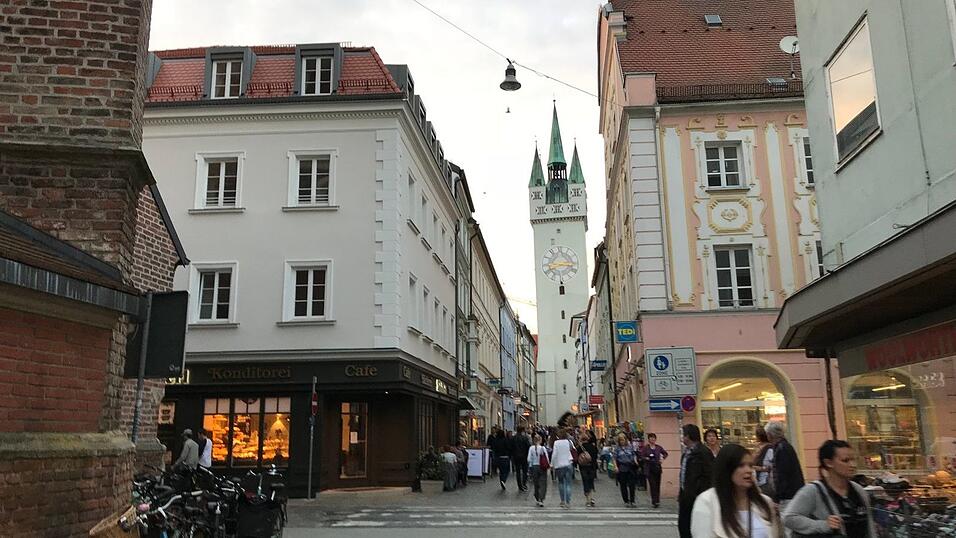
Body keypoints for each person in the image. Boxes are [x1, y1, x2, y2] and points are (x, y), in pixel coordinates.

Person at [783, 440, 876, 538]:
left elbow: (869, 526)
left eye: (854, 460)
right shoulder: (812, 491)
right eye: (845, 460)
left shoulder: (858, 490)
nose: (853, 465)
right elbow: (789, 518)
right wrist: (822, 525)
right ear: (828, 463)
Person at [690, 444, 781, 538]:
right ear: (727, 469)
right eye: (741, 465)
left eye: (750, 465)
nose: (749, 470)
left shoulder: (765, 503)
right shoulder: (707, 501)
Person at [679, 424, 715, 538]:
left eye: (683, 435)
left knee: (694, 526)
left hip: (696, 495)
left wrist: (700, 492)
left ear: (688, 436)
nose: (682, 438)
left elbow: (709, 475)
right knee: (683, 525)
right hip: (685, 495)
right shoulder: (686, 452)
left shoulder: (703, 452)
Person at [765, 421, 804, 514]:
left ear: (770, 434)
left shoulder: (782, 449)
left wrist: (778, 497)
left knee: (787, 522)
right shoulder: (783, 447)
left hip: (788, 496)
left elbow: (782, 474)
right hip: (790, 494)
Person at [640, 433, 668, 508]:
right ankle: (654, 501)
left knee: (657, 484)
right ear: (648, 439)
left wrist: (662, 459)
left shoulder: (658, 447)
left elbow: (665, 453)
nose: (652, 439)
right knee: (652, 485)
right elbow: (641, 456)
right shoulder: (646, 448)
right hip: (649, 468)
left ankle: (657, 500)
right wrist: (646, 458)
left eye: (653, 438)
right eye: (651, 438)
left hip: (657, 467)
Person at [551, 427, 575, 508]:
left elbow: (554, 454)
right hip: (568, 463)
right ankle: (568, 502)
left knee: (561, 483)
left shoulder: (556, 443)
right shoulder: (569, 442)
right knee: (568, 483)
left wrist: (552, 464)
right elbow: (573, 449)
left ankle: (562, 501)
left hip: (559, 465)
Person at [613, 432, 638, 507]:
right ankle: (626, 500)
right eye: (620, 440)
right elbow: (614, 458)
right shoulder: (617, 448)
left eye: (623, 440)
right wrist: (616, 467)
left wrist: (635, 461)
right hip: (622, 467)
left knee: (632, 484)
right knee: (623, 485)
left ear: (625, 440)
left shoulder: (630, 447)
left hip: (630, 467)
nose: (622, 441)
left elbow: (634, 455)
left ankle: (632, 500)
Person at [528, 433, 550, 507]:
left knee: (536, 483)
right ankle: (541, 499)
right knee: (543, 483)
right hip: (542, 467)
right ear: (540, 440)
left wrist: (530, 466)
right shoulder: (543, 448)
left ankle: (537, 497)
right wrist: (548, 465)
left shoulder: (531, 448)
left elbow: (528, 459)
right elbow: (546, 458)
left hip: (534, 467)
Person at [579, 431, 599, 507]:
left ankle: (587, 500)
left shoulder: (579, 448)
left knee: (585, 482)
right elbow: (595, 456)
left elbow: (577, 458)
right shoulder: (593, 446)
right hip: (591, 466)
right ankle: (592, 498)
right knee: (591, 481)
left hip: (583, 467)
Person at [753, 426, 775, 497]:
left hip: (765, 482)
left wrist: (758, 468)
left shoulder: (770, 449)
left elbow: (772, 467)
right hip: (759, 482)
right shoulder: (759, 447)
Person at [512, 426, 532, 492]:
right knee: (524, 471)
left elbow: (511, 447)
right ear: (522, 430)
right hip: (524, 457)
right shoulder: (525, 438)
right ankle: (524, 483)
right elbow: (528, 446)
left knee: (518, 472)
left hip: (516, 457)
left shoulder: (514, 438)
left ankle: (519, 485)